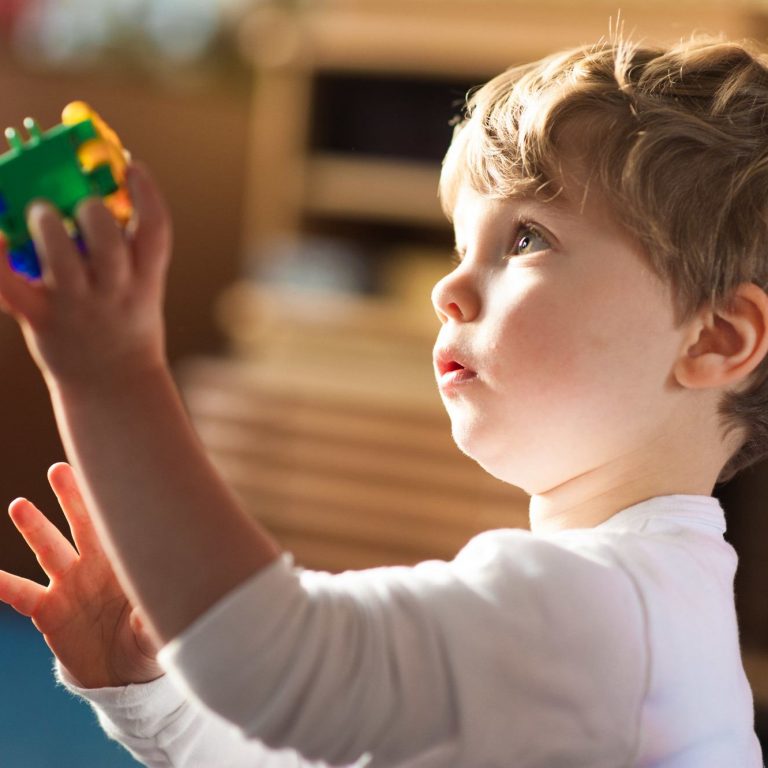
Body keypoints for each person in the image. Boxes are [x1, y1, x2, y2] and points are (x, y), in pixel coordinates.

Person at [0, 31, 766, 767]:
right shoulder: (633, 607)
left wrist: (110, 372)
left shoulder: (604, 611)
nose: (447, 287)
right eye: (461, 245)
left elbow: (276, 662)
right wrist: (148, 694)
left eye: (526, 239)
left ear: (714, 340)